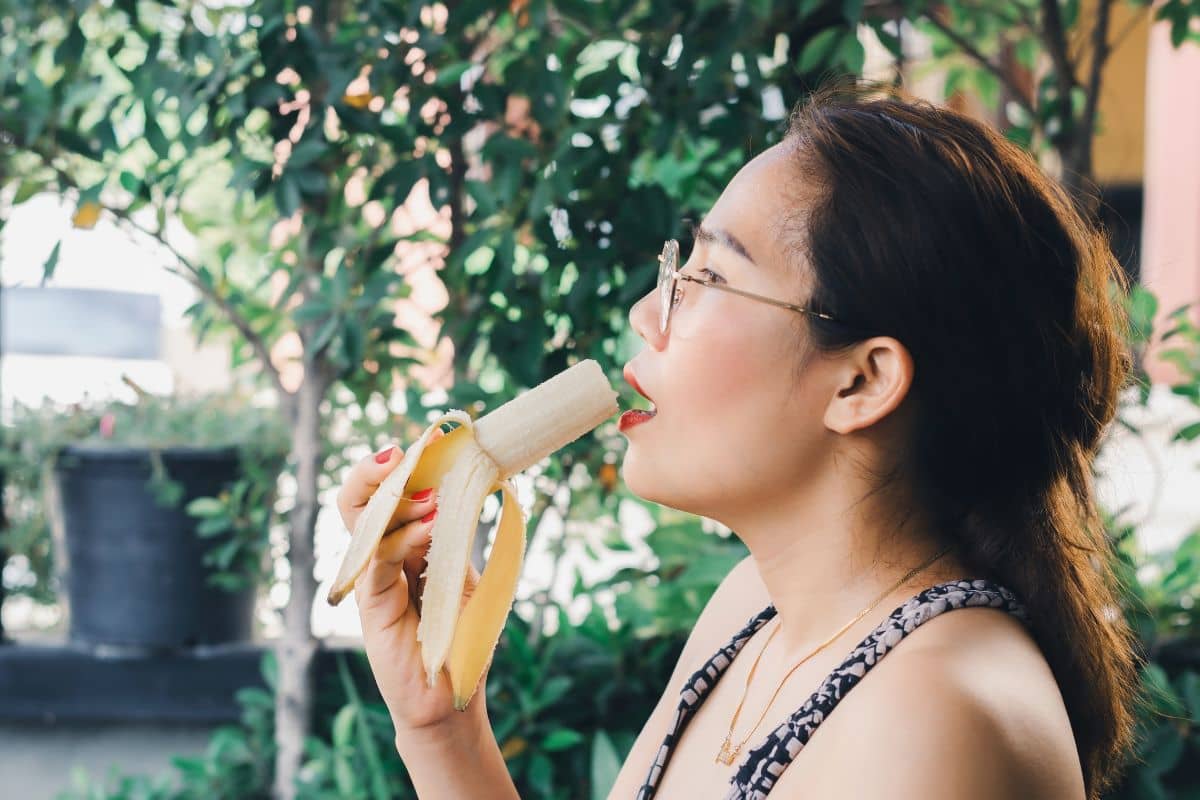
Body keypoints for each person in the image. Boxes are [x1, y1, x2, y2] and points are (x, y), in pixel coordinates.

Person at [335, 84, 1143, 799]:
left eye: (709, 279)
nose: (647, 317)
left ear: (861, 382)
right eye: (677, 269)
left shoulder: (936, 718)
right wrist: (443, 727)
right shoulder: (754, 609)